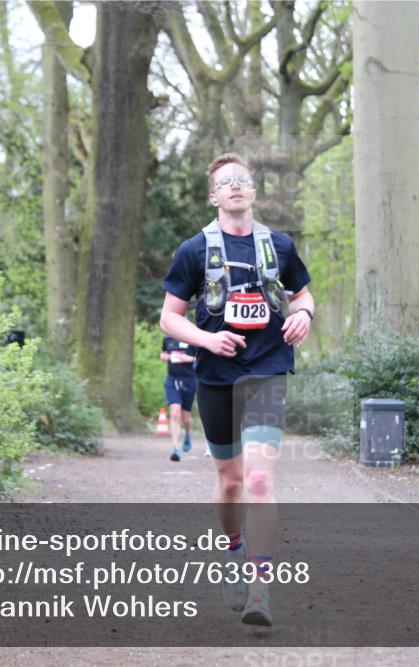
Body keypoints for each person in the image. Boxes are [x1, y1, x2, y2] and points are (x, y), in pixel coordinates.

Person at [159, 153, 314, 627]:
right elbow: (169, 316)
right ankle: (232, 550)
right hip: (216, 376)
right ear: (214, 195)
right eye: (225, 182)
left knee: (261, 480)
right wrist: (207, 338)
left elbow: (303, 292)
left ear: (252, 190)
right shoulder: (193, 250)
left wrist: (303, 314)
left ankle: (260, 589)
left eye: (242, 180)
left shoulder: (280, 245)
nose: (235, 187)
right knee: (230, 481)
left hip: (266, 368)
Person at [160, 335, 197, 461]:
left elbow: (199, 358)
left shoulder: (192, 337)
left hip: (189, 381)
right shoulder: (167, 339)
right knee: (175, 413)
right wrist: (170, 356)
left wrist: (187, 358)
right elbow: (163, 355)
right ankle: (175, 449)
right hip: (172, 380)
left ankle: (187, 433)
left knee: (185, 418)